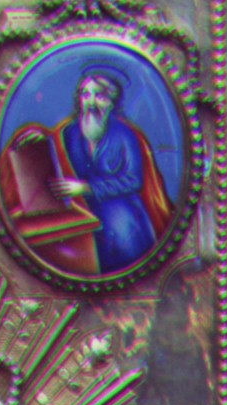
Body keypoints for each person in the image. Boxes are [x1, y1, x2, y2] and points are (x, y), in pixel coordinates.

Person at [50, 64, 170, 275]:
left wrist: (87, 188)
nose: (91, 103)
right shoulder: (69, 133)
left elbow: (134, 181)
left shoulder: (125, 135)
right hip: (82, 210)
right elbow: (52, 152)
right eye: (86, 95)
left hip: (121, 215)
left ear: (112, 102)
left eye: (99, 96)